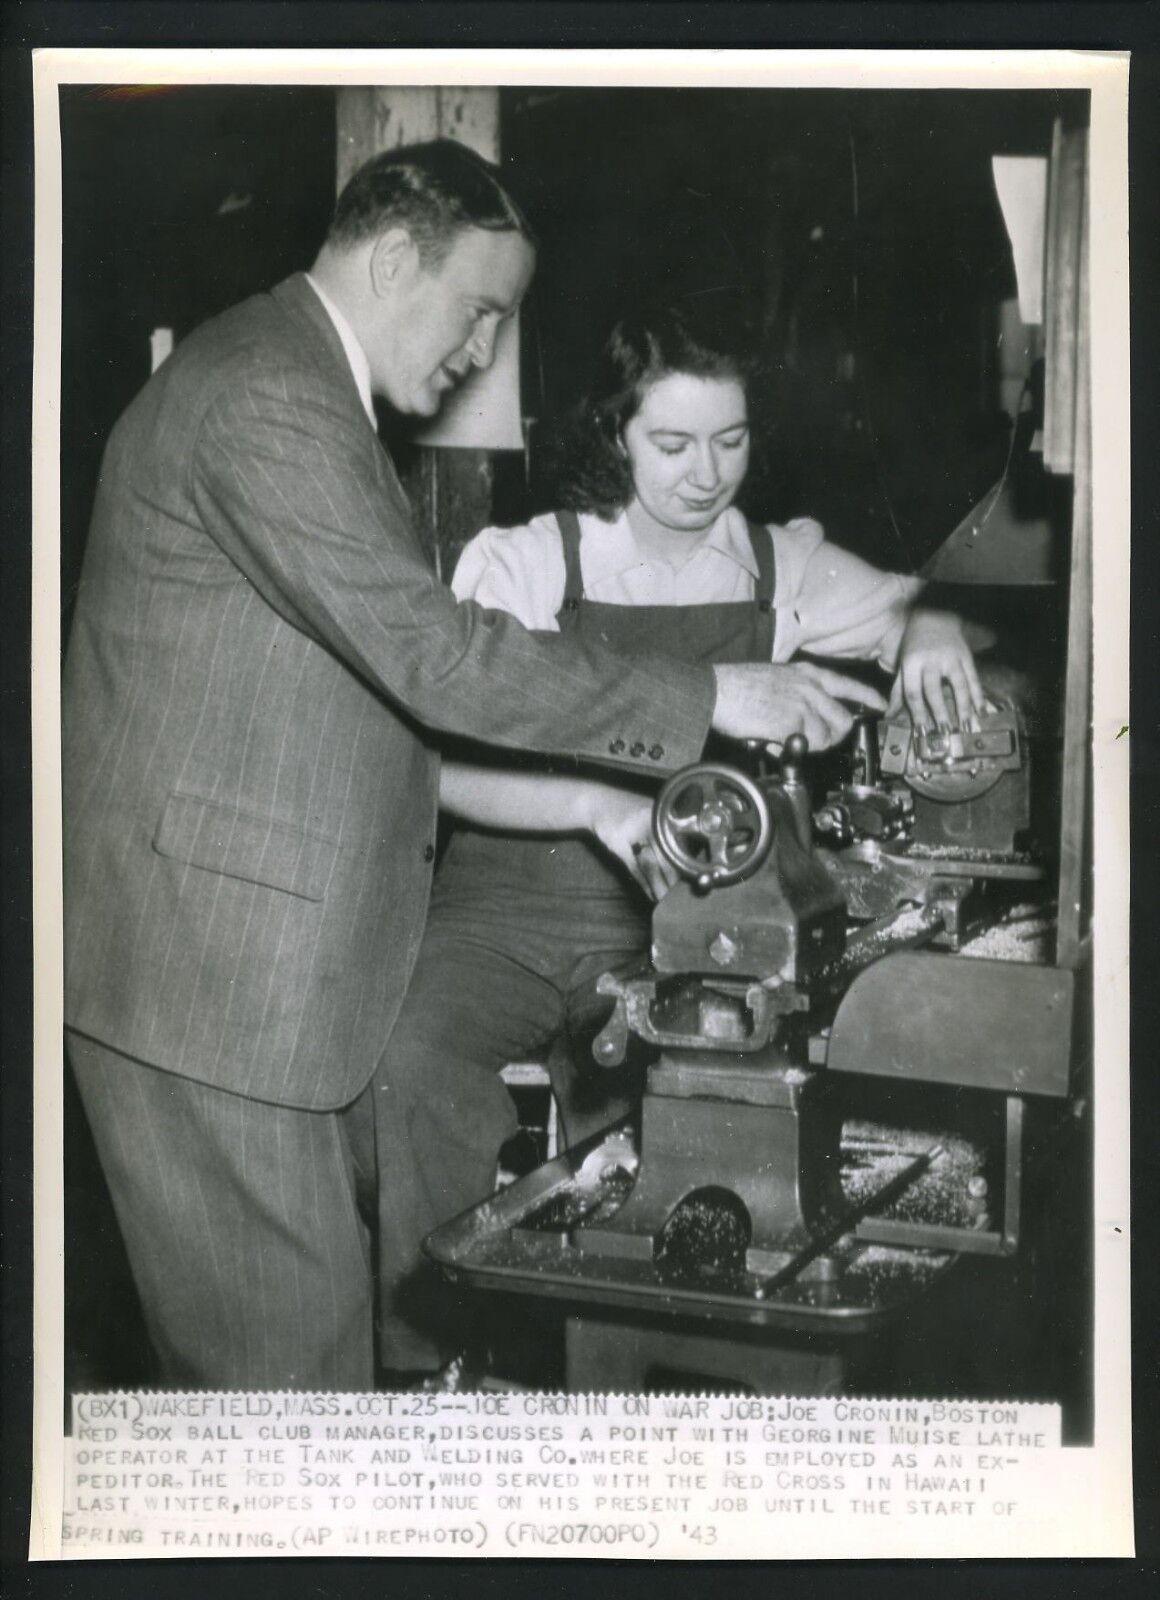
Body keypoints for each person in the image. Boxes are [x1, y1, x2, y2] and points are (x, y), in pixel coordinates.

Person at [62, 141, 885, 1392]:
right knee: (283, 1389)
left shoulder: (298, 388)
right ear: (395, 258)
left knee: (307, 1367)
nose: (484, 351)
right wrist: (712, 689)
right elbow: (434, 657)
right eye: (481, 310)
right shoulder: (271, 396)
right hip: (212, 981)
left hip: (257, 968)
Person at [374, 297, 988, 1377]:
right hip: (503, 906)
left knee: (668, 1102)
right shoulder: (526, 563)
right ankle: (444, 1363)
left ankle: (609, 1362)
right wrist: (595, 805)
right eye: (670, 442)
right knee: (412, 1060)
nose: (705, 473)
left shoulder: (770, 562)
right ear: (612, 435)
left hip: (671, 916)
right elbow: (440, 763)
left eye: (729, 439)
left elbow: (930, 606)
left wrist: (928, 618)